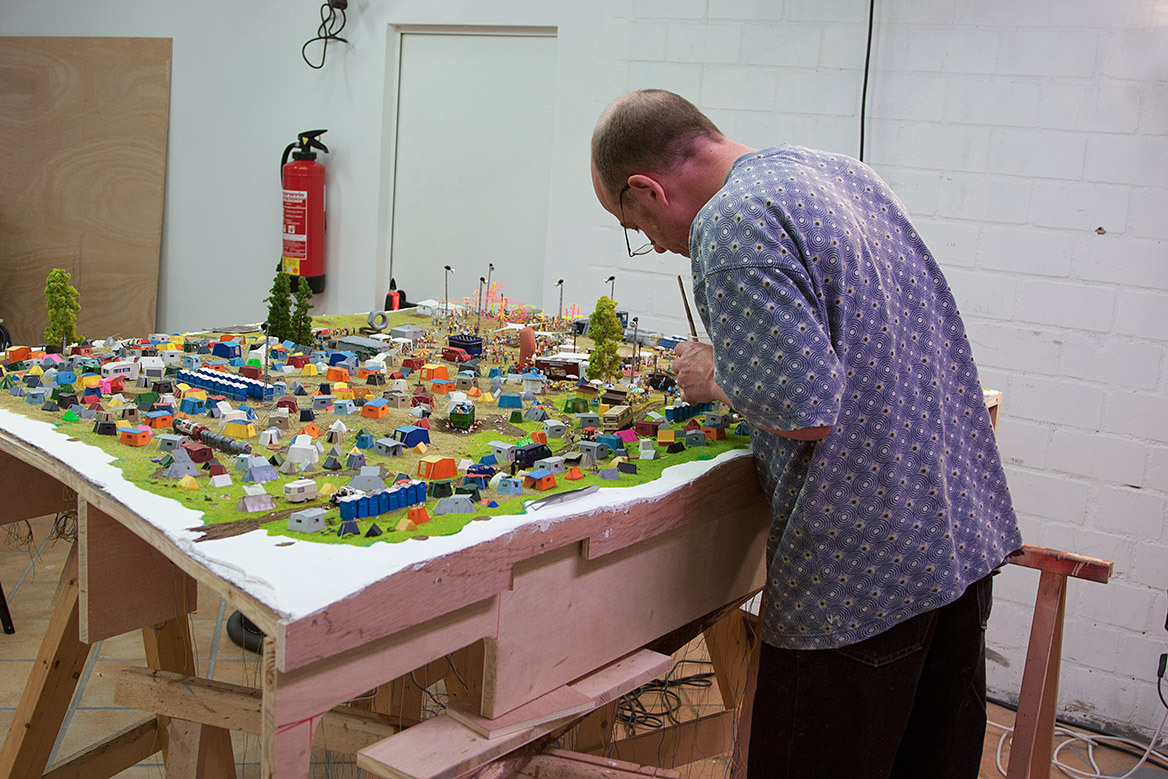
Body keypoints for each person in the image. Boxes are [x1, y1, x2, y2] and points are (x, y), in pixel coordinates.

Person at [590, 90, 1022, 778]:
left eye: (636, 224)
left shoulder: (731, 221)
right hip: (955, 545)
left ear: (646, 188)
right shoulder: (840, 174)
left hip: (862, 584)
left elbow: (805, 410)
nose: (659, 244)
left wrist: (714, 374)